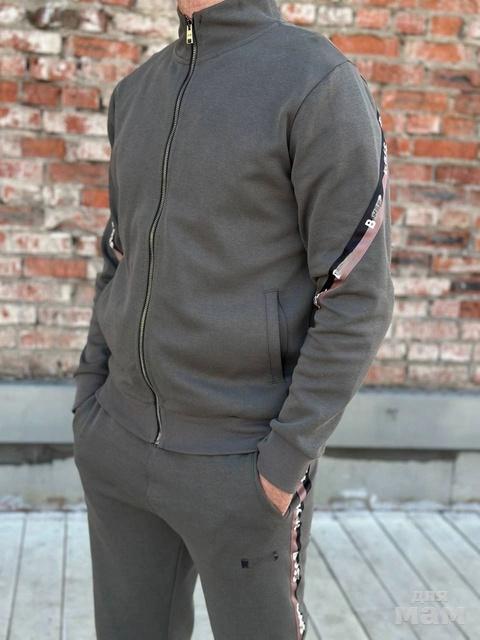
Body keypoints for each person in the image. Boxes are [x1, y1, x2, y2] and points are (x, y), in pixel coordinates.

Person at [71, 0, 395, 637]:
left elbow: (358, 295)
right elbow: (120, 256)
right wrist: (91, 400)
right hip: (119, 447)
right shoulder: (136, 92)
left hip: (241, 465)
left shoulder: (317, 82)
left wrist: (283, 462)